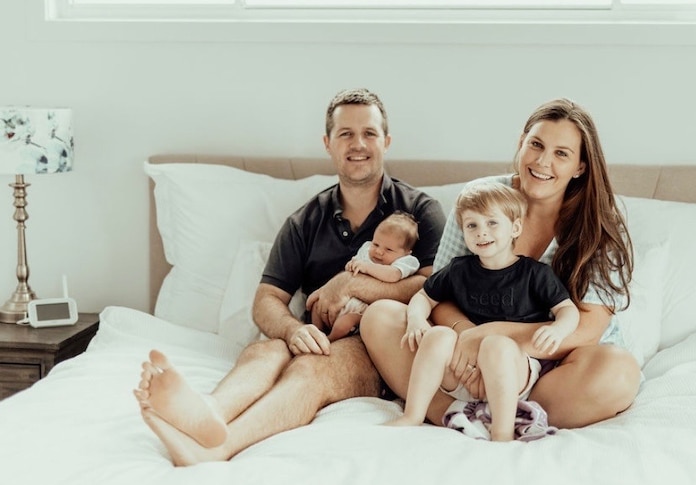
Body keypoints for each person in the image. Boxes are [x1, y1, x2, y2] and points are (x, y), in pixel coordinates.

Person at [132, 88, 446, 466]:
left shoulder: (420, 212)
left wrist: (349, 283)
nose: (358, 144)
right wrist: (292, 330)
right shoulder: (305, 220)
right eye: (346, 133)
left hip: (377, 347)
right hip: (313, 332)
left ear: (387, 141)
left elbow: (433, 285)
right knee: (265, 350)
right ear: (328, 143)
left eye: (370, 133)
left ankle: (217, 448)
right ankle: (208, 411)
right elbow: (267, 299)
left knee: (312, 369)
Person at [361, 98, 642, 431]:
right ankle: (449, 412)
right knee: (380, 316)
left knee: (619, 373)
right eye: (536, 144)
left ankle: (512, 413)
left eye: (561, 154)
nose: (542, 161)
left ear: (580, 167)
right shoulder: (479, 199)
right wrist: (466, 338)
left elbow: (586, 328)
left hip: (551, 364)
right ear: (521, 143)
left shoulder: (597, 224)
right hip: (465, 355)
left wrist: (491, 337)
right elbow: (442, 289)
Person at [385, 182, 580, 442]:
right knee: (438, 336)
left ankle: (502, 433)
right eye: (472, 225)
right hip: (462, 371)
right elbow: (423, 296)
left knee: (495, 345)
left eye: (492, 223)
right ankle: (413, 415)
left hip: (512, 375)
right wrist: (417, 319)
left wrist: (559, 328)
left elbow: (568, 310)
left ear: (516, 228)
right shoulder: (459, 270)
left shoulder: (535, 274)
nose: (481, 233)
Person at [327, 211, 420, 341]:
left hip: (366, 310)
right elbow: (355, 264)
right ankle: (315, 330)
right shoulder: (367, 249)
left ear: (406, 253)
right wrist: (351, 265)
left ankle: (329, 339)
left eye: (389, 250)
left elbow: (392, 275)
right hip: (345, 300)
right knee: (316, 305)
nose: (379, 251)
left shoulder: (405, 262)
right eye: (376, 244)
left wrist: (367, 267)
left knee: (345, 323)